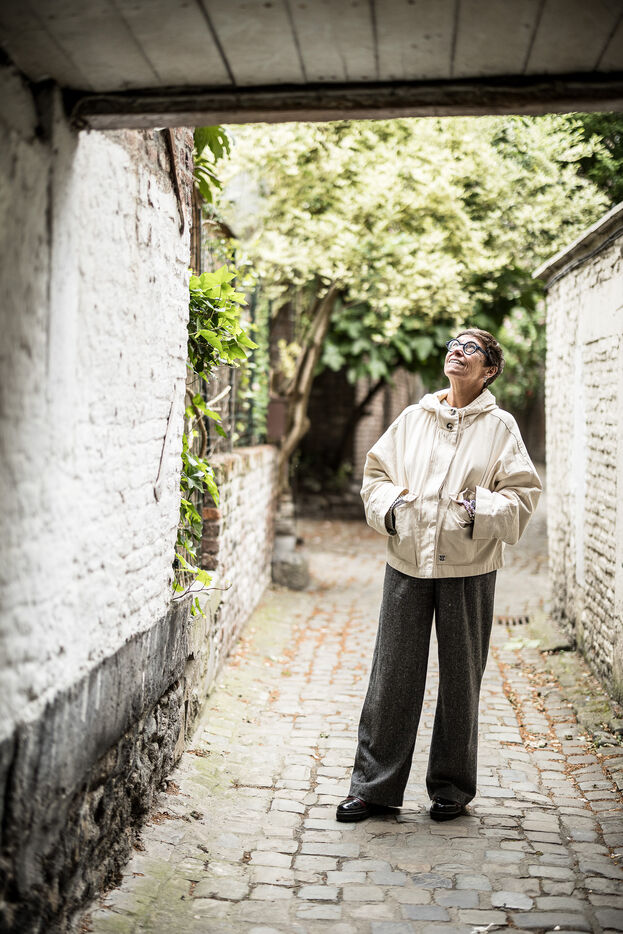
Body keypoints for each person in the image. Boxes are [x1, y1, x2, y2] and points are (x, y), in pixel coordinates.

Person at [336, 328, 542, 823]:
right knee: (392, 676)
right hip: (407, 562)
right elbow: (376, 477)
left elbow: (523, 495)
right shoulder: (413, 418)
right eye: (453, 344)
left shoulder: (501, 427)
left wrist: (477, 509)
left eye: (471, 348)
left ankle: (451, 787)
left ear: (489, 369)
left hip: (469, 568)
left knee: (460, 680)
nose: (457, 351)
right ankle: (374, 788)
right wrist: (394, 508)